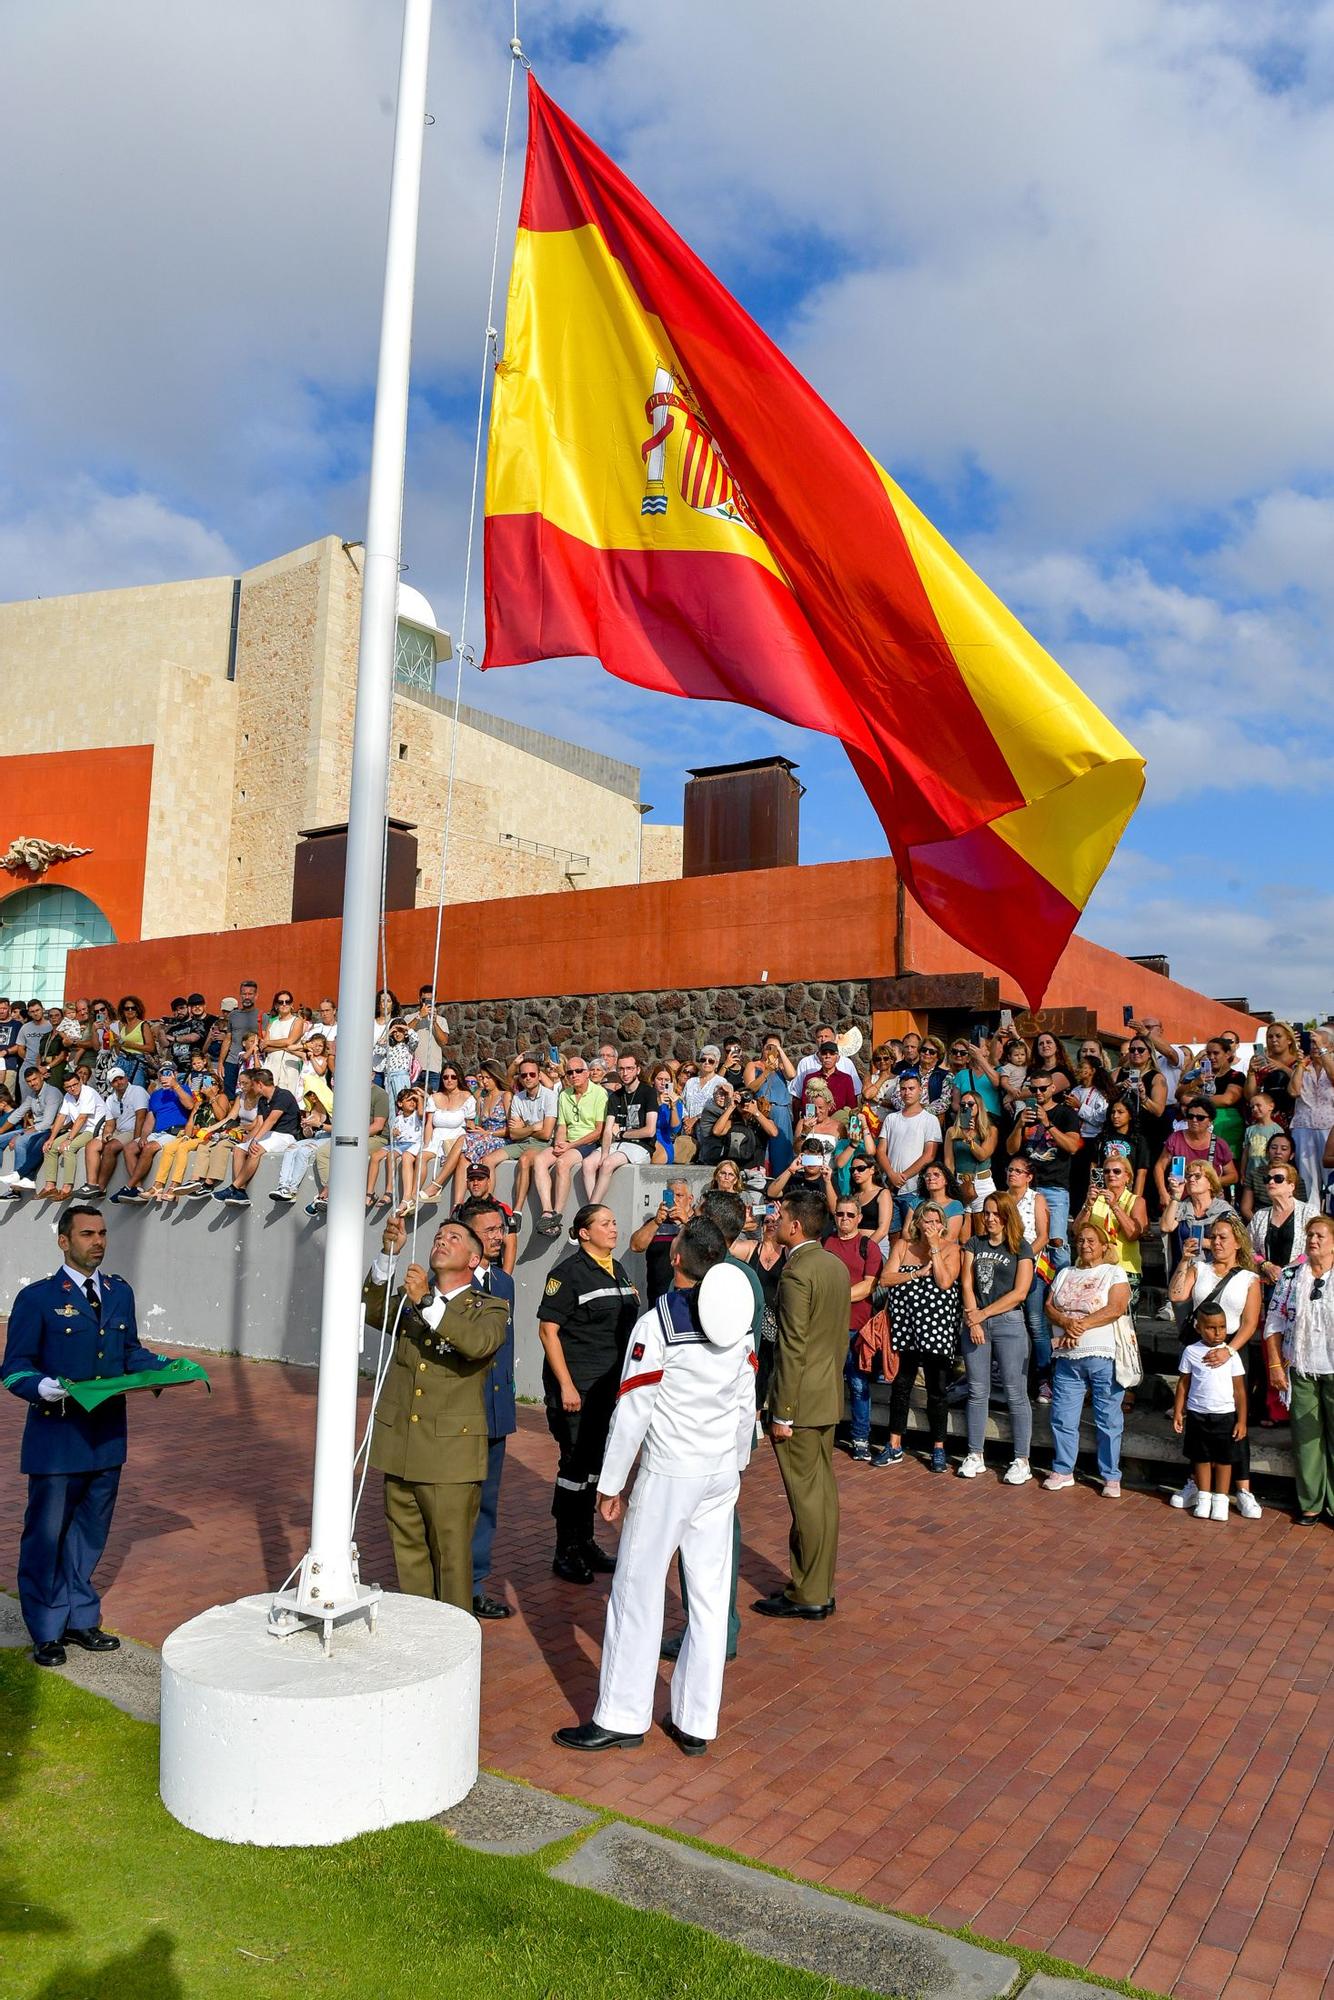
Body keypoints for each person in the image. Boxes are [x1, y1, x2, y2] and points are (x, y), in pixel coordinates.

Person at [554, 1225, 756, 1755]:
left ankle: (621, 1716)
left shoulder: (658, 1321)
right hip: (719, 1473)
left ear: (681, 1257)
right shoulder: (740, 1323)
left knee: (636, 1591)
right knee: (710, 1600)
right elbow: (744, 1401)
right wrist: (735, 1463)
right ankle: (695, 1722)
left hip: (672, 1472)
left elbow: (634, 1409)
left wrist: (612, 1483)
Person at [2, 1205, 166, 1665]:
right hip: (56, 1440)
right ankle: (47, 1628)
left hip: (106, 1436)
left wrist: (165, 1369)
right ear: (64, 1241)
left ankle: (79, 1619)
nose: (98, 1241)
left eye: (102, 1233)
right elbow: (13, 1369)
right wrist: (42, 1388)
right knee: (46, 1535)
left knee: (90, 1534)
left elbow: (129, 1351)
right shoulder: (37, 1299)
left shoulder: (118, 1293)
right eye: (87, 1234)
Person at [360, 1213, 508, 1611]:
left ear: (473, 1260)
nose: (441, 1241)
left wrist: (427, 1299)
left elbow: (477, 1343)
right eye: (439, 1236)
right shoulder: (411, 1303)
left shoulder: (489, 1307)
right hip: (401, 1448)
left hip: (449, 1456)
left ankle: (455, 1642)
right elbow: (372, 1312)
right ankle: (418, 1634)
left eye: (454, 1238)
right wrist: (387, 1256)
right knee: (408, 1553)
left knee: (450, 1557)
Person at [754, 1186, 851, 1620]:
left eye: (781, 1216)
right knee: (822, 1496)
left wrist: (783, 1411)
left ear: (796, 1226)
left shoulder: (797, 1273)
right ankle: (814, 1584)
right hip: (826, 1393)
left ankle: (809, 1591)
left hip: (800, 1403)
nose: (774, 1221)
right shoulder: (833, 1264)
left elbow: (792, 1347)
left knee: (808, 1500)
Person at [537, 1203, 639, 1582]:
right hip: (578, 1389)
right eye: (605, 1223)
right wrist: (565, 1385)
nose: (614, 1228)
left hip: (609, 1391)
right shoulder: (568, 1274)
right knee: (575, 1469)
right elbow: (548, 1331)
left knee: (596, 1468)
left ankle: (586, 1542)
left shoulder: (618, 1270)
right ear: (584, 1232)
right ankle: (566, 1550)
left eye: (614, 1222)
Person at [1166, 1214, 1263, 1518]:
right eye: (1214, 1237)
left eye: (1223, 1237)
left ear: (1237, 1242)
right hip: (1200, 1347)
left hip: (1232, 1348)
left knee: (1233, 1418)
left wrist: (1228, 1351)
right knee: (1200, 1416)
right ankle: (1197, 1484)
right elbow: (1177, 1295)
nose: (1217, 1242)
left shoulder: (1249, 1278)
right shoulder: (1200, 1268)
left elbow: (1250, 1324)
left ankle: (1243, 1489)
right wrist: (1184, 1260)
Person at [454, 1196, 517, 1620]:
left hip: (495, 1411)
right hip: (461, 1414)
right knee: (455, 1504)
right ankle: (449, 1586)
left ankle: (475, 1585)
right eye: (492, 1230)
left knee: (487, 1504)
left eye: (501, 1229)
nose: (500, 1236)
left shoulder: (504, 1283)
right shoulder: (453, 1283)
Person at [871, 1202, 961, 1471]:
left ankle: (938, 1448)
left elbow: (945, 1282)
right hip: (906, 1324)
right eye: (927, 1221)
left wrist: (934, 1249)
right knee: (902, 1384)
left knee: (937, 1387)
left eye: (936, 1221)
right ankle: (894, 1443)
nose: (932, 1226)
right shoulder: (903, 1247)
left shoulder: (952, 1249)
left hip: (937, 1327)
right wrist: (917, 1274)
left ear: (943, 1224)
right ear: (918, 1222)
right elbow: (885, 1280)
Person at [1043, 1222, 1131, 1497]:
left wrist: (1078, 1326)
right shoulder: (1065, 1272)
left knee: (1107, 1418)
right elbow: (1049, 1306)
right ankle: (1063, 1469)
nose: (1085, 1245)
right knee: (1062, 1416)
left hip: (1102, 1354)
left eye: (1092, 1240)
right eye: (1081, 1240)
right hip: (1067, 1355)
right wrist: (1067, 1323)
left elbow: (1116, 1308)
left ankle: (1110, 1476)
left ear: (1104, 1245)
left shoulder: (1113, 1272)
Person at [960, 1194, 1034, 1485]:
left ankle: (1021, 1459)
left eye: (996, 1214)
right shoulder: (974, 1244)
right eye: (987, 1213)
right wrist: (972, 1315)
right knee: (977, 1390)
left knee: (1016, 1391)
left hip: (1008, 1322)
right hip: (974, 1321)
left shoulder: (1020, 1247)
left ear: (1007, 1216)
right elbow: (966, 1282)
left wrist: (982, 1314)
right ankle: (975, 1454)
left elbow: (1020, 1293)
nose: (990, 1219)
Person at [1264, 1214, 1334, 1524]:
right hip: (1301, 1368)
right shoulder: (1291, 1276)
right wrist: (1276, 1365)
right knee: (1306, 1440)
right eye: (1310, 1235)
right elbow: (1273, 1324)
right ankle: (1311, 1503)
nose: (1313, 1240)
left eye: (1320, 1235)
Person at [1173, 1304, 1247, 1522]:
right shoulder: (1191, 1351)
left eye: (1222, 1327)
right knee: (1201, 1456)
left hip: (1225, 1414)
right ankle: (1203, 1497)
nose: (1218, 1333)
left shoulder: (1232, 1355)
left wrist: (1241, 1420)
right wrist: (1179, 1410)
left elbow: (1240, 1391)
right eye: (1211, 1328)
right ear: (1198, 1327)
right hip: (1197, 1414)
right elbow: (1183, 1384)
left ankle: (1221, 1499)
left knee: (1224, 1459)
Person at [1005, 1073, 1081, 1275]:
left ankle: (1061, 1288)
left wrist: (1047, 1123)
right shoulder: (1024, 1115)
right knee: (1022, 1237)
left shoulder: (1066, 1114)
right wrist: (1020, 1125)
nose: (1038, 1093)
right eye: (1033, 1089)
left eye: (1043, 1088)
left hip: (1055, 1186)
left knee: (1057, 1241)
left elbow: (1073, 1147)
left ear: (1053, 1088)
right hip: (1027, 1188)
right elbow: (1011, 1150)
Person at [828, 1195, 884, 1462]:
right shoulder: (824, 1243)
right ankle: (825, 1432)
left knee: (859, 1385)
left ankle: (860, 1438)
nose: (845, 1219)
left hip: (857, 1328)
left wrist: (835, 1295)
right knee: (827, 1383)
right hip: (827, 1327)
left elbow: (868, 1286)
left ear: (860, 1218)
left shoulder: (868, 1247)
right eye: (840, 1214)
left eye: (851, 1215)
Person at [531, 1058, 608, 1237]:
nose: (574, 1075)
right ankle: (547, 1211)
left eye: (578, 1071)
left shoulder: (599, 1094)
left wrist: (569, 1146)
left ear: (587, 1072)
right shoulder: (564, 1095)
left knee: (563, 1162)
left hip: (588, 1142)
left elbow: (599, 1131)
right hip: (568, 1142)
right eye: (570, 1072)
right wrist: (559, 1143)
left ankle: (557, 1214)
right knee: (540, 1160)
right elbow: (562, 1127)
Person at [210, 1068, 303, 1205]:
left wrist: (256, 1140)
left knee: (255, 1150)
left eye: (253, 1084)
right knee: (239, 1149)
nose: (252, 1088)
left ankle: (233, 1187)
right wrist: (248, 1141)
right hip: (269, 1134)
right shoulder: (262, 1101)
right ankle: (241, 1192)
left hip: (285, 1135)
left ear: (260, 1084)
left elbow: (271, 1120)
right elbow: (259, 1124)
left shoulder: (283, 1095)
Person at [874, 1073, 942, 1234]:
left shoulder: (930, 1120)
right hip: (890, 1186)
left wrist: (902, 1176)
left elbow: (929, 1155)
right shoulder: (891, 1118)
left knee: (913, 1234)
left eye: (911, 1088)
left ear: (921, 1090)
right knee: (893, 1236)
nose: (907, 1092)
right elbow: (881, 1150)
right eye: (903, 1089)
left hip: (915, 1188)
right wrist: (891, 1174)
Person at [586, 1050, 657, 1200]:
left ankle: (592, 1207)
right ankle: (594, 1208)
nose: (625, 1073)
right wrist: (604, 1153)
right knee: (588, 1163)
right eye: (621, 1069)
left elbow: (649, 1131)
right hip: (618, 1144)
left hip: (641, 1146)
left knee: (608, 1164)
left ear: (637, 1070)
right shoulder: (615, 1097)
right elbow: (607, 1130)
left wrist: (622, 1134)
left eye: (629, 1068)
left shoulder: (648, 1092)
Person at [500, 1053, 558, 1208]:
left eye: (532, 1074)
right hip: (522, 1142)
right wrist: (532, 1127)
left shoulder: (549, 1096)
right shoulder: (518, 1098)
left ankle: (517, 1210)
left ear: (539, 1076)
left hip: (541, 1143)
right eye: (524, 1075)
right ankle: (486, 1205)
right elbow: (513, 1134)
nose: (528, 1078)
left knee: (525, 1160)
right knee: (488, 1160)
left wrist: (523, 1129)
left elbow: (546, 1134)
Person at [944, 1090, 998, 1213]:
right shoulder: (952, 1131)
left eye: (970, 1104)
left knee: (984, 1226)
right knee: (962, 1224)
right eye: (962, 1105)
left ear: (979, 1107)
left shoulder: (990, 1130)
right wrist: (950, 1185)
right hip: (960, 1182)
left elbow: (982, 1155)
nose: (966, 1107)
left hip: (982, 1182)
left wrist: (970, 1140)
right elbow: (949, 1162)